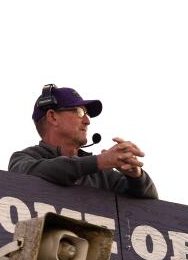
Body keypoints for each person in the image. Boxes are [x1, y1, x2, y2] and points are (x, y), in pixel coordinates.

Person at [9, 85, 158, 199]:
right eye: (80, 112)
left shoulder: (101, 174)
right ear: (53, 117)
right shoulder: (22, 159)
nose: (87, 121)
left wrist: (136, 175)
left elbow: (150, 200)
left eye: (87, 114)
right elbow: (38, 173)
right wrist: (100, 161)